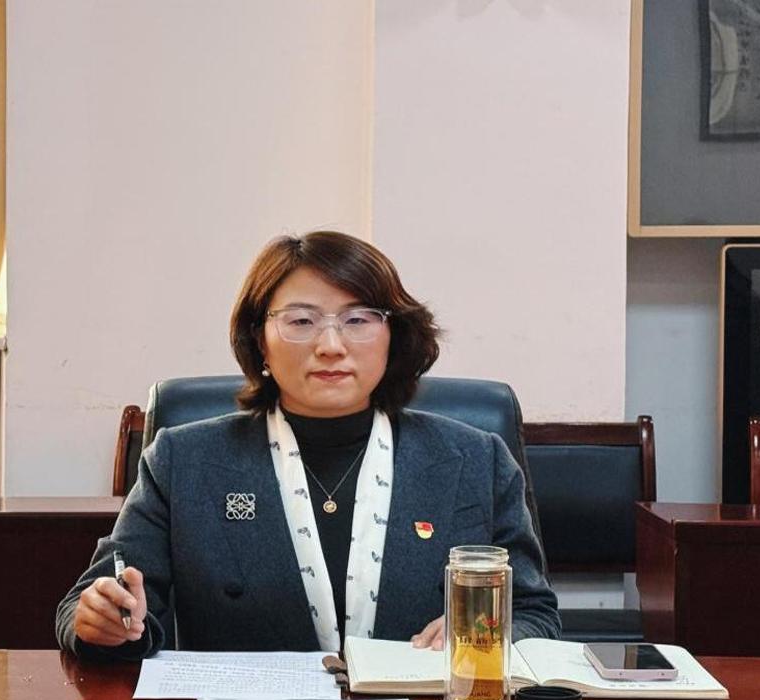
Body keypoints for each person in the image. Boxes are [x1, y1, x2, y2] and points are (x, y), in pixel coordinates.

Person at [56, 231, 559, 659]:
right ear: (260, 339)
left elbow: (533, 614)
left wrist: (486, 634)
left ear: (394, 335)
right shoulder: (184, 461)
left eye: (358, 320)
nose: (331, 346)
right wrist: (106, 620)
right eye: (301, 321)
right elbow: (90, 603)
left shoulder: (475, 460)